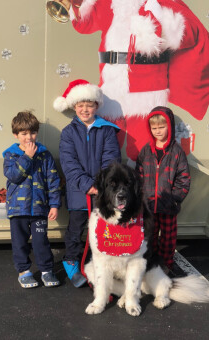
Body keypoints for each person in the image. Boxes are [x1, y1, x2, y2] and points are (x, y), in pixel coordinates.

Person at [67, 0, 209, 163]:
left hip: (147, 88)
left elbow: (188, 33)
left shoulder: (161, 3)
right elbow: (85, 23)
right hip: (112, 85)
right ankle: (104, 182)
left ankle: (142, 184)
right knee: (105, 143)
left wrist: (159, 17)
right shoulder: (110, 3)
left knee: (143, 148)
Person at [54, 79, 121, 287]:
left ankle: (97, 265)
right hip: (78, 193)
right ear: (74, 106)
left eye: (89, 105)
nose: (85, 109)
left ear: (96, 106)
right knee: (76, 230)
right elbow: (69, 163)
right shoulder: (68, 133)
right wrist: (86, 185)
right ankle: (72, 263)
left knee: (101, 231)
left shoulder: (107, 130)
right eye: (80, 105)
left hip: (102, 194)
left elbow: (111, 159)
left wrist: (101, 186)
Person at [3, 111, 61, 288]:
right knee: (19, 242)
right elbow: (13, 176)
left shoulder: (45, 154)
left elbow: (53, 181)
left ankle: (46, 270)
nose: (29, 137)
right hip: (17, 209)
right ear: (16, 135)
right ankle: (24, 271)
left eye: (32, 132)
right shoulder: (11, 155)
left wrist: (54, 205)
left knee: (41, 241)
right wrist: (27, 157)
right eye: (24, 133)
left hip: (39, 209)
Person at [136, 106, 190, 271]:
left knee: (168, 238)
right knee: (148, 236)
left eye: (161, 127)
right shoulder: (145, 151)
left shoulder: (177, 152)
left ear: (170, 127)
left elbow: (184, 179)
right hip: (148, 205)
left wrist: (174, 198)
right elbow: (138, 177)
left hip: (168, 206)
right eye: (154, 128)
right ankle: (148, 263)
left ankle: (166, 264)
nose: (158, 131)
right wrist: (141, 199)